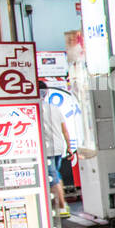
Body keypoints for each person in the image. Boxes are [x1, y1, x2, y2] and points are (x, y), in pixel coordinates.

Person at [39, 80, 74, 218]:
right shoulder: (54, 108)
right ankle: (60, 203)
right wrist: (69, 147)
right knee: (57, 176)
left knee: (53, 178)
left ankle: (61, 206)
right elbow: (65, 130)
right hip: (59, 147)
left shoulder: (36, 109)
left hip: (48, 150)